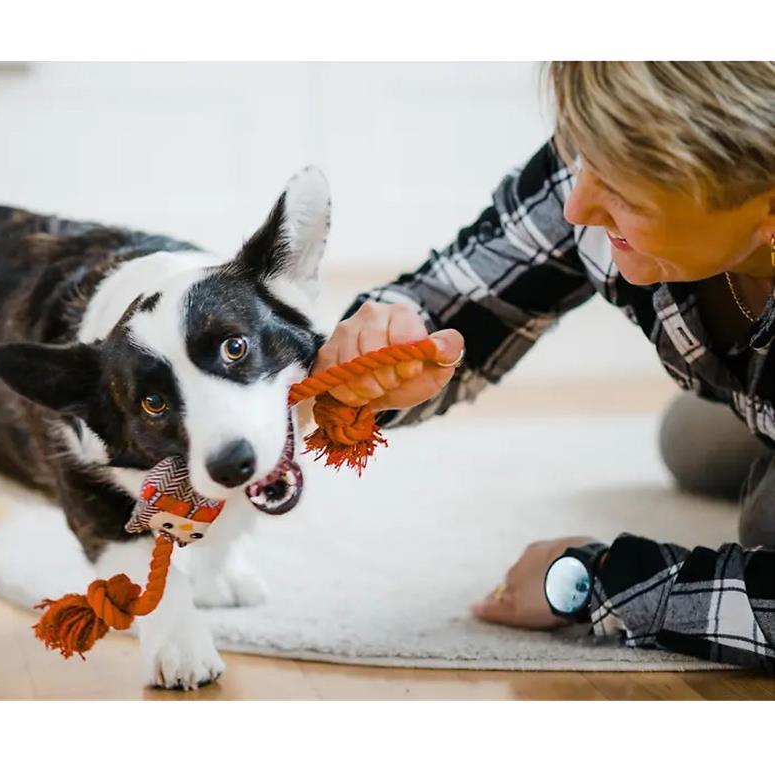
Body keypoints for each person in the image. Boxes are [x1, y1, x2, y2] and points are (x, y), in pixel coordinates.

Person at [315, 62, 774, 670]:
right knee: (688, 442)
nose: (579, 205)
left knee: (763, 523)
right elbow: (454, 296)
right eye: (583, 153)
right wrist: (385, 346)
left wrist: (595, 582)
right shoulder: (599, 163)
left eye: (626, 191)